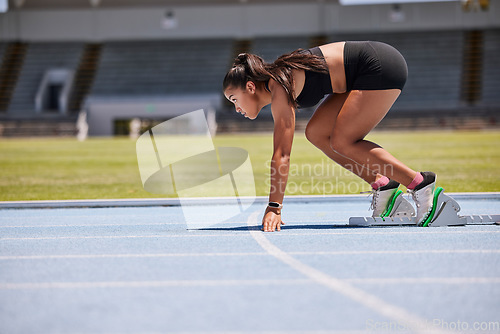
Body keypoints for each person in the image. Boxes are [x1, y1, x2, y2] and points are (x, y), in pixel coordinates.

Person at [223, 41, 436, 232]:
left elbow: (282, 155)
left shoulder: (279, 85)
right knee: (316, 133)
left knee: (343, 141)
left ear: (250, 87)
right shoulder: (277, 82)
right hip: (357, 77)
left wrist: (274, 208)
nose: (236, 108)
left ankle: (420, 184)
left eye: (234, 99)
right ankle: (383, 185)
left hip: (379, 64)